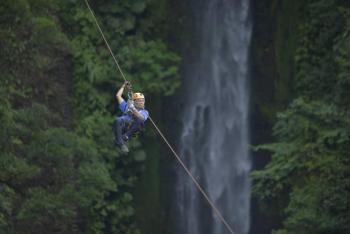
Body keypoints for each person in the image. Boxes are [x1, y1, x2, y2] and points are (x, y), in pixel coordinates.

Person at [113, 81, 149, 154]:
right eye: (140, 101)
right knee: (118, 120)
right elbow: (118, 96)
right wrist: (123, 86)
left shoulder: (144, 112)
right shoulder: (127, 107)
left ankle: (125, 137)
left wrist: (133, 109)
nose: (142, 102)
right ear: (135, 102)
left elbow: (141, 118)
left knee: (139, 120)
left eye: (143, 101)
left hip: (133, 129)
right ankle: (120, 142)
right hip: (125, 126)